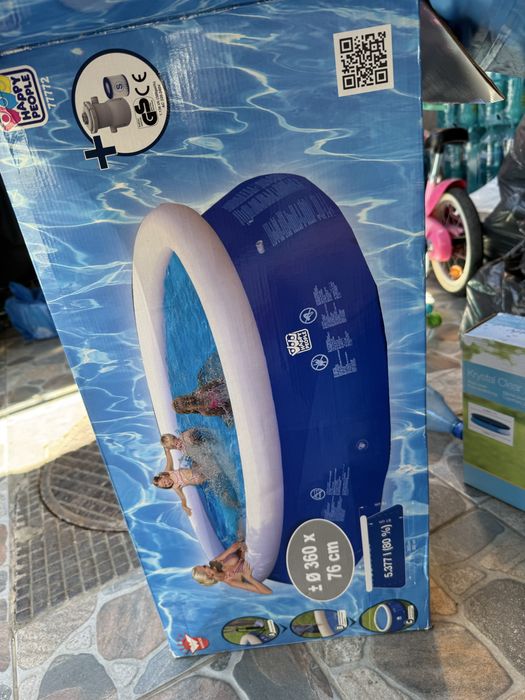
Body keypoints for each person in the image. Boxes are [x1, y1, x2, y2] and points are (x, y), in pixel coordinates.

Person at [152, 432, 206, 516]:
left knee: (192, 459)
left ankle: (199, 440)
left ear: (162, 476)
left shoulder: (168, 471)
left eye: (164, 482)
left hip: (196, 469)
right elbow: (182, 498)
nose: (167, 484)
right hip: (200, 479)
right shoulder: (175, 487)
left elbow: (168, 458)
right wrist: (184, 506)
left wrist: (167, 448)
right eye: (165, 486)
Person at [192, 541, 272, 595]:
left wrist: (241, 546)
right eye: (204, 567)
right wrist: (249, 578)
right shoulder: (231, 581)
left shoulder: (215, 563)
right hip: (259, 557)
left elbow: (233, 547)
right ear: (209, 574)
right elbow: (267, 592)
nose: (205, 565)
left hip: (249, 547)